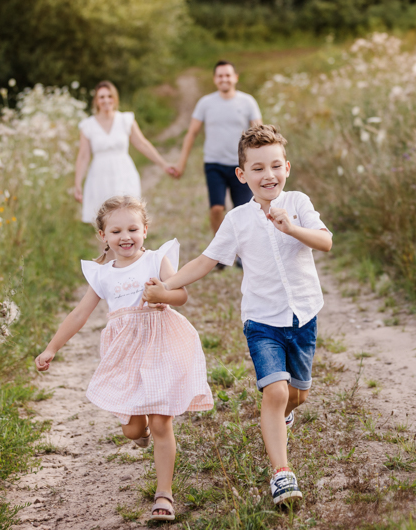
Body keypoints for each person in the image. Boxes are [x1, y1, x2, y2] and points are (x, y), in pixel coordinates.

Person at [144, 125, 332, 506]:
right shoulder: (237, 220)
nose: (268, 175)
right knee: (275, 392)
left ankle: (281, 417)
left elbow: (326, 241)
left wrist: (292, 228)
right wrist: (166, 286)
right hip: (262, 321)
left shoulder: (298, 203)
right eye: (258, 169)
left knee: (297, 395)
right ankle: (282, 474)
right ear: (242, 175)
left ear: (287, 168)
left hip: (303, 315)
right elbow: (205, 261)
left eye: (275, 166)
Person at [35, 196, 213, 521]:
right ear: (103, 236)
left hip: (160, 345)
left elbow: (182, 295)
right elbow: (79, 315)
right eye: (116, 231)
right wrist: (52, 348)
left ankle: (164, 495)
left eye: (133, 229)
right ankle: (140, 432)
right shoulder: (103, 275)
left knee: (161, 423)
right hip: (125, 354)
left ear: (145, 230)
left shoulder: (156, 260)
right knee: (133, 430)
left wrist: (162, 294)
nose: (125, 237)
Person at [173, 61, 262, 242]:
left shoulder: (248, 102)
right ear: (215, 79)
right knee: (216, 208)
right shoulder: (205, 103)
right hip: (214, 164)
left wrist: (262, 165)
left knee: (244, 210)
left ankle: (243, 249)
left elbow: (260, 134)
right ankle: (220, 246)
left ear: (235, 78)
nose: (224, 79)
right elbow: (192, 133)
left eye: (228, 75)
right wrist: (181, 164)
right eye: (220, 76)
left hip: (241, 166)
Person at [74, 81, 177, 225]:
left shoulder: (125, 120)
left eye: (110, 96)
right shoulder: (88, 125)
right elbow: (83, 156)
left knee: (129, 217)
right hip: (100, 177)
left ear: (115, 98)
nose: (106, 100)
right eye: (102, 97)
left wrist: (163, 164)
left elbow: (142, 144)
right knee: (104, 222)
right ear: (96, 101)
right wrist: (77, 183)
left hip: (124, 173)